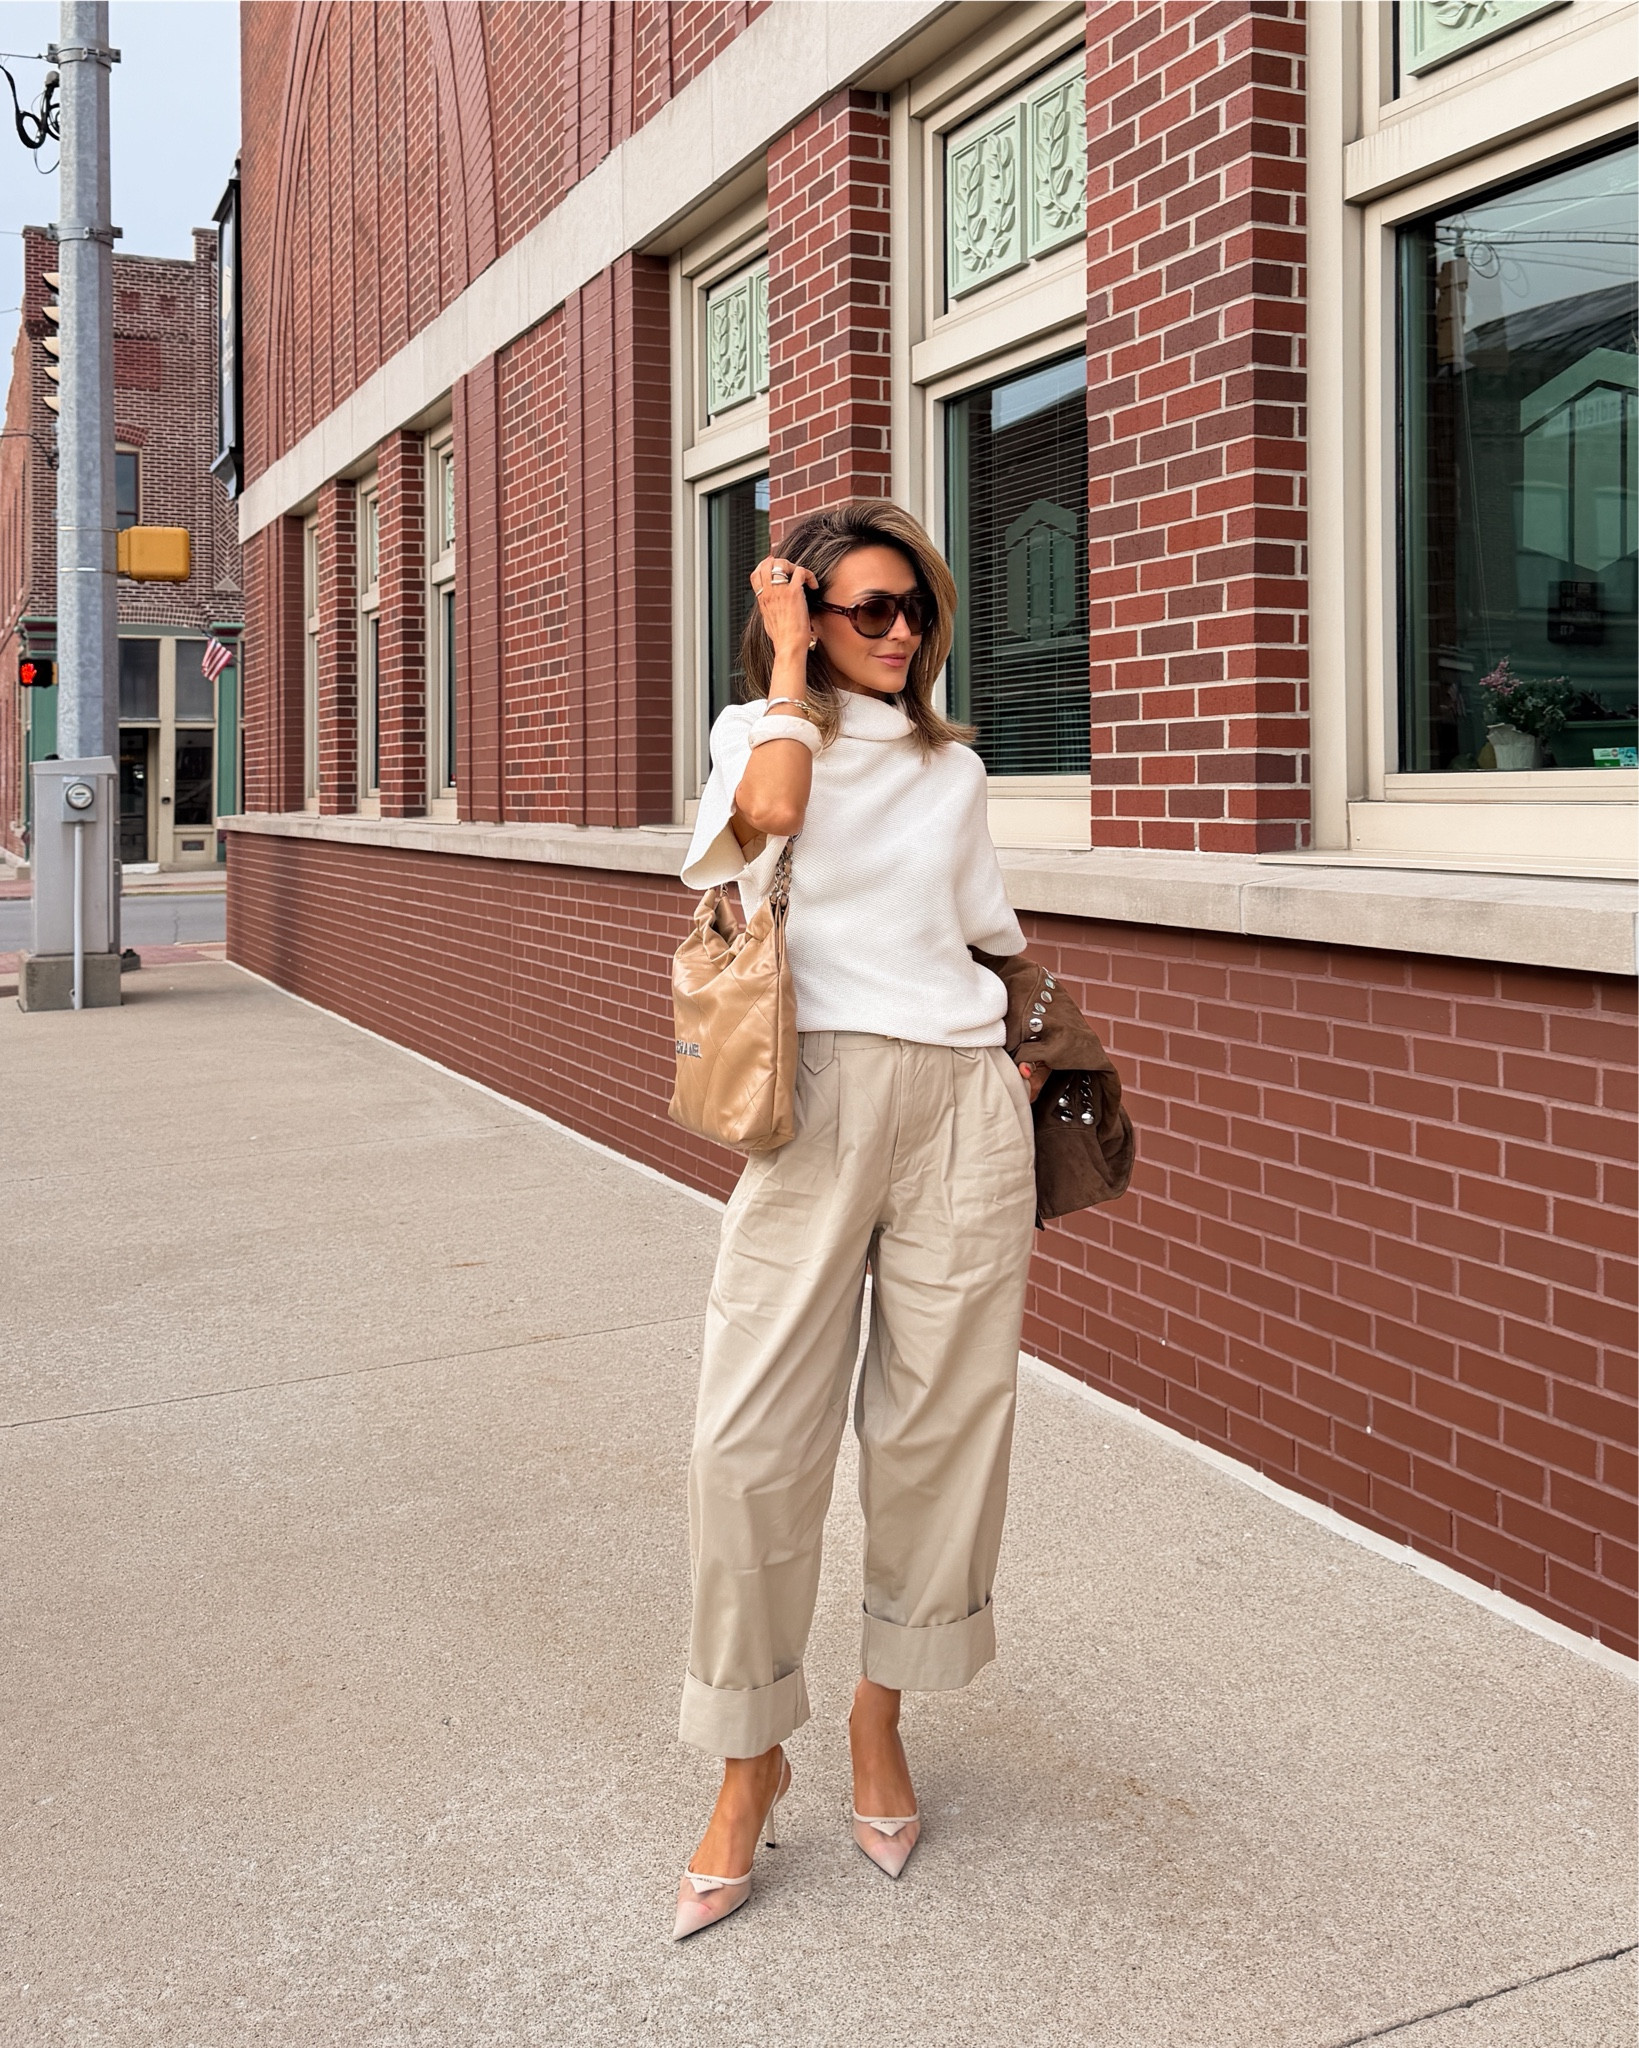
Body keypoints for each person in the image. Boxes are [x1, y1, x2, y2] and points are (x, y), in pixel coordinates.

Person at [671, 499, 1045, 1941]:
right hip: (813, 1096)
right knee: (751, 1438)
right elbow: (766, 823)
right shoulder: (757, 735)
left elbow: (989, 932)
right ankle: (747, 1758)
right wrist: (785, 668)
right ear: (807, 616)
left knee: (944, 1425)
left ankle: (881, 1715)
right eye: (870, 609)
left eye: (917, 609)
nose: (901, 632)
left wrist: (1019, 1052)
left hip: (962, 1099)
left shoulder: (957, 767)